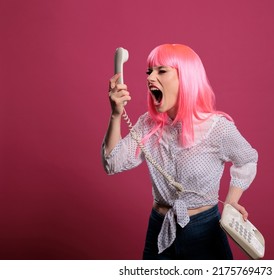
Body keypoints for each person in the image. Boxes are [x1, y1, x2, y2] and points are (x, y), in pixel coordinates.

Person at [101, 44, 258, 260]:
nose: (150, 77)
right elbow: (112, 163)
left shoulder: (217, 127)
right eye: (149, 71)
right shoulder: (147, 125)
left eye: (161, 71)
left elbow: (247, 159)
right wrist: (116, 114)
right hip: (159, 227)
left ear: (185, 78)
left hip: (205, 231)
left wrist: (231, 202)